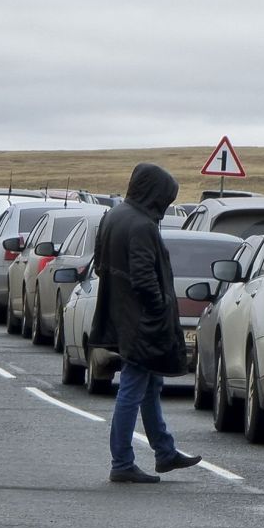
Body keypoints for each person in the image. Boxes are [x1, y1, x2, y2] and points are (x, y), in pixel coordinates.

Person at [90, 163, 202, 484]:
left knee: (150, 385)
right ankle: (122, 461)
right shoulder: (141, 225)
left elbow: (100, 265)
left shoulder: (114, 215)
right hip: (142, 322)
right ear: (154, 193)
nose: (165, 206)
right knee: (132, 388)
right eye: (165, 198)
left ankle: (164, 452)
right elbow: (143, 278)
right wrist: (159, 307)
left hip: (123, 316)